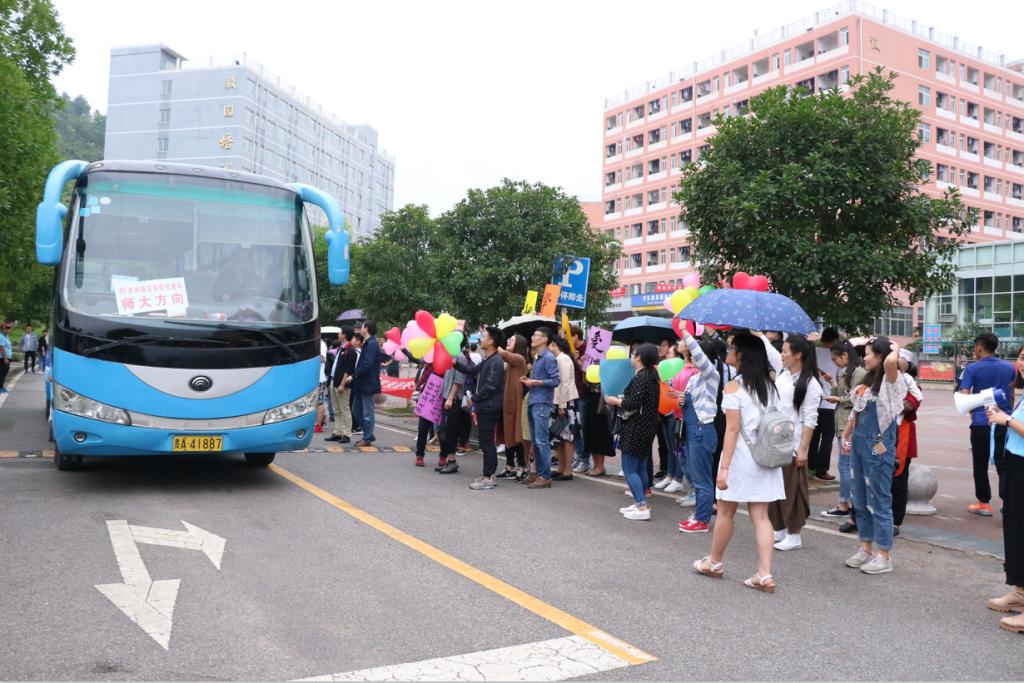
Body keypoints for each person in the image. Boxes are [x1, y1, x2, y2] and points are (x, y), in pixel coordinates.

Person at [693, 333, 784, 593]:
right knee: (761, 516)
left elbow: (732, 430)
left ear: (742, 355)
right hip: (765, 455)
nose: (729, 352)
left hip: (741, 456)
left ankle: (714, 561)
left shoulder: (734, 387)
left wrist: (723, 468)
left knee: (726, 511)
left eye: (732, 349)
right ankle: (764, 574)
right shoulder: (770, 385)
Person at [840, 336, 907, 575]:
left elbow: (890, 362)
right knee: (859, 498)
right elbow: (855, 413)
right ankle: (866, 549)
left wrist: (895, 347)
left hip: (879, 447)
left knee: (879, 500)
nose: (864, 357)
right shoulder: (866, 382)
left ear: (881, 356)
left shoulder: (892, 381)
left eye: (869, 353)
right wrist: (846, 436)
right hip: (859, 444)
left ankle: (884, 556)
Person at [766, 333, 822, 552]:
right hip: (776, 440)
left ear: (797, 355)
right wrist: (758, 334)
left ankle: (794, 533)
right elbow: (770, 352)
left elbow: (810, 419)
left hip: (793, 443)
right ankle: (779, 528)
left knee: (792, 490)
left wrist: (803, 449)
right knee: (775, 487)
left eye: (785, 351)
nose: (782, 355)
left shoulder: (810, 384)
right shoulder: (784, 374)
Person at [980, 363, 1024, 633]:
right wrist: (1002, 416)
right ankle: (1020, 591)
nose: (1023, 362)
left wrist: (1006, 420)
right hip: (1016, 463)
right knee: (1015, 530)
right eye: (1022, 356)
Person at [959, 332, 1016, 517]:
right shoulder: (1009, 367)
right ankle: (1008, 502)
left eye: (975, 347)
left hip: (981, 423)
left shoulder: (972, 369)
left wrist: (973, 415)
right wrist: (1008, 416)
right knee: (1004, 464)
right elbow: (1011, 393)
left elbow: (965, 397)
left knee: (980, 464)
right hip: (1003, 422)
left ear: (979, 348)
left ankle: (984, 504)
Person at [604, 343, 661, 521]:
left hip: (636, 426)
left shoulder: (641, 377)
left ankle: (642, 506)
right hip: (647, 426)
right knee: (641, 467)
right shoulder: (651, 376)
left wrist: (615, 401)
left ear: (639, 358)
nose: (631, 356)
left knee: (629, 469)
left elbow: (631, 403)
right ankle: (640, 502)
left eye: (633, 354)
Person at [677, 331, 724, 533]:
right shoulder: (694, 378)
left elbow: (700, 356)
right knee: (697, 477)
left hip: (702, 430)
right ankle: (699, 514)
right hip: (692, 430)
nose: (692, 357)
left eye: (696, 354)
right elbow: (688, 402)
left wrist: (686, 333)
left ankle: (702, 520)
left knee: (703, 478)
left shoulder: (711, 375)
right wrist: (681, 400)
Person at [822, 340, 868, 524]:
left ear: (845, 355)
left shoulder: (859, 373)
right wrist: (832, 383)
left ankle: (844, 505)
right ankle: (847, 504)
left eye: (835, 359)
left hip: (849, 426)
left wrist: (838, 399)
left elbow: (856, 398)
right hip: (842, 423)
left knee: (845, 466)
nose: (834, 362)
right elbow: (844, 394)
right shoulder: (847, 372)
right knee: (845, 465)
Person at [456, 326, 507, 490]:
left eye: (483, 336)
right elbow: (472, 370)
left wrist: (474, 398)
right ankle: (487, 474)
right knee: (485, 441)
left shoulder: (496, 361)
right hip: (485, 405)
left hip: (489, 406)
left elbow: (490, 386)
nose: (480, 339)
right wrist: (455, 364)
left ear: (491, 341)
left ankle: (488, 477)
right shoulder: (488, 359)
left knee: (487, 442)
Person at [519, 327, 561, 489]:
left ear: (544, 339)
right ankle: (538, 474)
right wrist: (529, 379)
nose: (532, 337)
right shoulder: (538, 357)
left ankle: (545, 476)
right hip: (534, 400)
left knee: (542, 441)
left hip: (542, 402)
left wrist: (535, 382)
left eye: (535, 335)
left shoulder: (549, 357)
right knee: (536, 441)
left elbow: (555, 381)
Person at [892, 356, 922, 536]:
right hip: (879, 434)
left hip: (903, 436)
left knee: (898, 480)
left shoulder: (911, 385)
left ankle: (895, 520)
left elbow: (909, 405)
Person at [495, 333, 529, 480]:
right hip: (507, 402)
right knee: (507, 434)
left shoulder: (519, 358)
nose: (508, 341)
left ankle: (522, 466)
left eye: (512, 340)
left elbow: (504, 354)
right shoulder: (510, 361)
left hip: (515, 403)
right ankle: (510, 466)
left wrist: (494, 342)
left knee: (516, 435)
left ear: (519, 344)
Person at [809, 328, 839, 481]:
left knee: (813, 436)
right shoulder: (836, 356)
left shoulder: (812, 352)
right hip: (830, 402)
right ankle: (822, 470)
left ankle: (810, 466)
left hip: (814, 400)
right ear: (835, 340)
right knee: (827, 438)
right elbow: (839, 379)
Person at [550, 336, 580, 481]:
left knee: (567, 437)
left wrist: (561, 405)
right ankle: (561, 468)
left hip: (565, 402)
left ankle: (567, 470)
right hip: (559, 402)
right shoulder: (560, 358)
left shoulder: (563, 359)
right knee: (560, 437)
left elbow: (564, 383)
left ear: (554, 344)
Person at [437, 347, 468, 475]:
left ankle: (451, 460)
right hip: (446, 397)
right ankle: (447, 459)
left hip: (454, 399)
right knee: (442, 431)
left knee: (449, 431)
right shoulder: (450, 355)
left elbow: (458, 381)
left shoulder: (460, 357)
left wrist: (450, 398)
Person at [352, 321, 382, 447]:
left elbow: (367, 364)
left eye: (362, 326)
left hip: (368, 383)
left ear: (367, 329)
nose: (360, 328)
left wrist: (354, 375)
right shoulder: (367, 343)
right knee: (356, 410)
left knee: (367, 413)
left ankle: (367, 437)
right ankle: (368, 433)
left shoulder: (372, 344)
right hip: (361, 383)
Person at [582, 364, 615, 477]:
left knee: (600, 433)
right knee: (590, 433)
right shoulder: (590, 364)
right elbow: (585, 381)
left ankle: (600, 466)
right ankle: (595, 465)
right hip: (591, 399)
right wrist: (584, 367)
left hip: (602, 402)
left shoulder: (608, 366)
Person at [326, 327, 356, 444]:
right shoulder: (341, 348)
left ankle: (346, 434)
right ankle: (337, 432)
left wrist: (343, 384)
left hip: (342, 384)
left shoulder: (350, 350)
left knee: (344, 409)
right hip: (334, 381)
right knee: (336, 409)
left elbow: (349, 370)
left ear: (344, 335)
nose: (338, 334)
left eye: (340, 333)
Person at [412, 359, 436, 467]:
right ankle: (419, 455)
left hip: (443, 397)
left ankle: (444, 457)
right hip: (428, 397)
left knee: (444, 430)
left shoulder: (451, 363)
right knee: (423, 428)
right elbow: (420, 383)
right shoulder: (429, 365)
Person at [315, 335, 329, 433]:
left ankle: (319, 425)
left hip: (319, 378)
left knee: (320, 401)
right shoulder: (315, 344)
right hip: (313, 379)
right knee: (315, 402)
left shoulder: (321, 344)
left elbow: (323, 358)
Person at [0, 322, 12, 393]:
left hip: (6, 358)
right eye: (6, 328)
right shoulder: (1, 336)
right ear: (2, 329)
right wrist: (5, 358)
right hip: (3, 358)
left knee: (4, 373)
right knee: (2, 373)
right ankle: (0, 387)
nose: (7, 330)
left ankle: (1, 386)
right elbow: (1, 348)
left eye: (8, 328)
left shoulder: (6, 336)